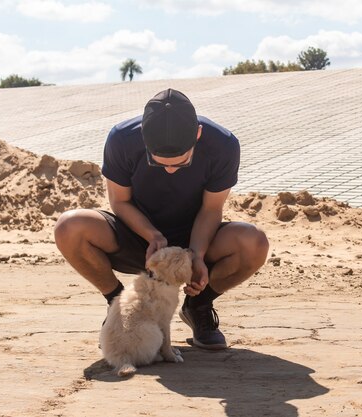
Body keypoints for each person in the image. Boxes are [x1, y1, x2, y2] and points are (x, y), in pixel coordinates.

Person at [54, 88, 269, 350]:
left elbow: (211, 209)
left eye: (181, 163)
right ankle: (118, 307)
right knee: (69, 227)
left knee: (254, 242)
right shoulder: (121, 138)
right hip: (140, 238)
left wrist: (197, 255)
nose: (170, 169)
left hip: (195, 237)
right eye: (159, 163)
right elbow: (120, 201)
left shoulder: (223, 145)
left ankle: (198, 306)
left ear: (197, 135)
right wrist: (152, 235)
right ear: (144, 139)